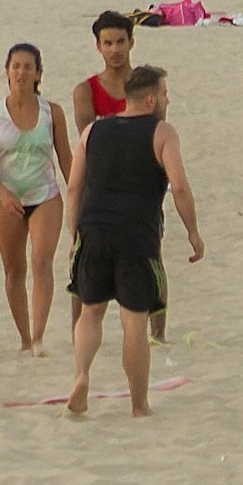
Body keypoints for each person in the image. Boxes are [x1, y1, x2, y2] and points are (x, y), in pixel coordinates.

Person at [66, 65, 200, 418]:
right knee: (134, 320)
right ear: (152, 98)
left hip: (93, 229)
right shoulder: (162, 132)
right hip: (136, 235)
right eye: (166, 94)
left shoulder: (93, 131)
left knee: (91, 313)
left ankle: (81, 376)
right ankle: (139, 403)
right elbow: (180, 187)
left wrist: (73, 234)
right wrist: (193, 233)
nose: (168, 100)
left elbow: (74, 187)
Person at [0, 43, 73, 358]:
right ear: (6, 72)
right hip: (7, 198)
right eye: (15, 66)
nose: (21, 72)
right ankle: (24, 337)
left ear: (38, 74)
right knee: (14, 271)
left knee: (42, 263)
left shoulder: (52, 112)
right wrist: (3, 192)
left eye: (28, 67)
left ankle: (40, 336)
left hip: (45, 195)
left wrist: (78, 195)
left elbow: (66, 159)